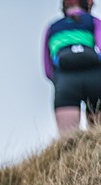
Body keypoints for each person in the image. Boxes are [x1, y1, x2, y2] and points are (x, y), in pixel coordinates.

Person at [43, 0, 101, 135]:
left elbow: (47, 69)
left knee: (69, 140)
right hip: (96, 78)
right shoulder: (94, 22)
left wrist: (59, 80)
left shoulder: (52, 28)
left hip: (65, 80)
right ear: (88, 4)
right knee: (99, 137)